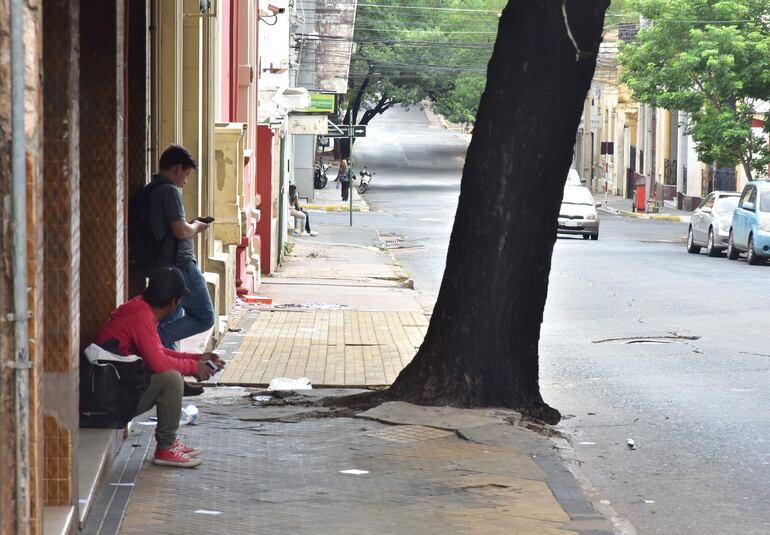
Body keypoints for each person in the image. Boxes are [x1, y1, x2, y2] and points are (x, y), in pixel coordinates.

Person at [95, 267, 225, 468]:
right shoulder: (141, 316)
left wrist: (197, 358)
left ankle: (169, 442)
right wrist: (194, 367)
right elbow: (158, 362)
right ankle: (165, 447)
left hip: (115, 392)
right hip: (112, 401)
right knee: (171, 379)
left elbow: (158, 352)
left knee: (170, 374)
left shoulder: (141, 309)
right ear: (174, 301)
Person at [148, 145, 216, 349]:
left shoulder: (153, 189)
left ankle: (170, 372)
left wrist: (190, 225)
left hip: (165, 265)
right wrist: (195, 226)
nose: (185, 182)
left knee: (171, 317)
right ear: (177, 168)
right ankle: (157, 337)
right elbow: (179, 230)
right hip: (181, 265)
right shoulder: (170, 191)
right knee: (205, 316)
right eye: (185, 175)